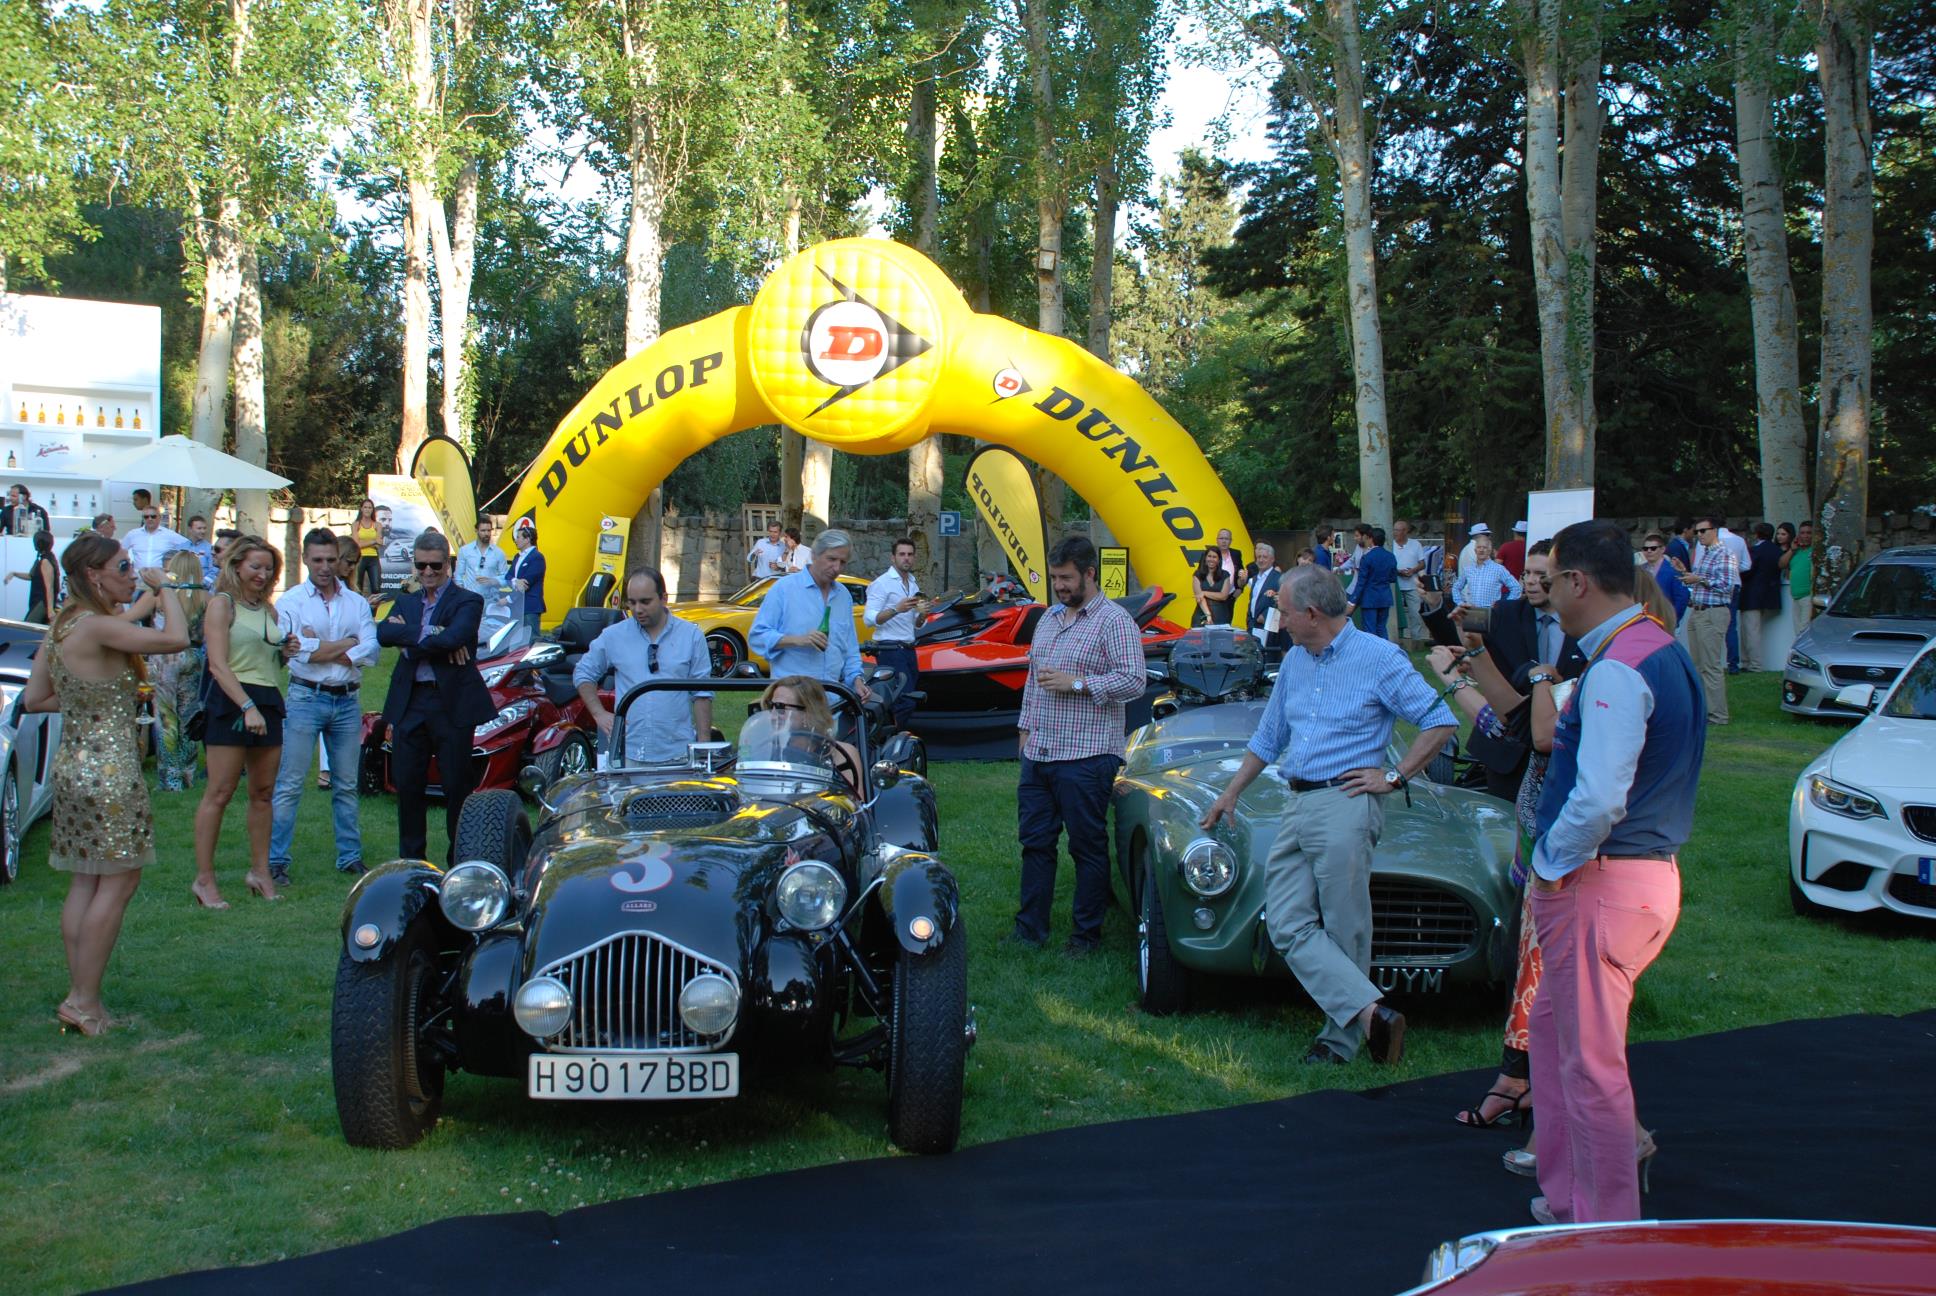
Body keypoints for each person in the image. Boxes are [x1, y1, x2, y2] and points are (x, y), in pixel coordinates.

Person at [1200, 565, 1458, 1065]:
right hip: (1297, 801)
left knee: (1346, 926)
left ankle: (1339, 1043)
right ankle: (1370, 1016)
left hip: (1346, 803)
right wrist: (1230, 793)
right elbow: (1269, 736)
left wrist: (1396, 776)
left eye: (1285, 611)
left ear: (1313, 613)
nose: (1280, 620)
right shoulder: (1296, 660)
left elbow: (1440, 720)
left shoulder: (1379, 658)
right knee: (1287, 921)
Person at [1525, 518, 1703, 1226]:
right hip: (1634, 877)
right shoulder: (1655, 648)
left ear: (1577, 581)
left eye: (1551, 576)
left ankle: (1600, 1227)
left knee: (1589, 1065)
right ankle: (1573, 1196)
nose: (1541, 590)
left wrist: (1547, 862)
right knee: (1555, 1035)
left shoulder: (1619, 667)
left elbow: (1599, 797)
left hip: (1604, 881)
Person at [19, 533, 187, 1035]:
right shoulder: (95, 627)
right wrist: (168, 589)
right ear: (94, 575)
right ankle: (83, 1000)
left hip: (72, 767)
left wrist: (92, 704)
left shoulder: (65, 625)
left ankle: (80, 995)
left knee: (85, 881)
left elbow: (34, 699)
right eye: (123, 567)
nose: (133, 573)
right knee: (117, 882)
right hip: (109, 772)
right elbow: (175, 639)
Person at [1014, 535, 1147, 954]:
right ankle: (1029, 929)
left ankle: (1085, 935)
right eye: (1055, 578)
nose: (1059, 586)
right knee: (1035, 842)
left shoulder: (1115, 621)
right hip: (1040, 753)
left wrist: (1079, 684)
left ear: (1090, 574)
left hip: (1087, 755)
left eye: (1067, 578)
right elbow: (1033, 681)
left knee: (1087, 847)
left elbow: (1134, 680)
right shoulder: (1050, 619)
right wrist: (1024, 730)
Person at [266, 528, 379, 886]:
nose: (326, 567)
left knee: (346, 784)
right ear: (306, 560)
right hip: (305, 696)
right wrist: (347, 643)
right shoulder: (292, 602)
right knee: (289, 784)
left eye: (331, 559)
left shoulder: (356, 602)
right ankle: (276, 861)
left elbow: (372, 650)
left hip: (347, 699)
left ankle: (350, 857)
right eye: (318, 560)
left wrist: (320, 645)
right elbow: (295, 650)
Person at [378, 530, 497, 861]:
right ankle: (412, 863)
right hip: (411, 701)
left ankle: (459, 863)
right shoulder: (405, 601)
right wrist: (432, 634)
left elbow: (456, 636)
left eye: (435, 566)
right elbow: (384, 633)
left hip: (451, 704)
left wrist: (411, 642)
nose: (428, 573)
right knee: (408, 784)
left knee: (457, 785)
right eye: (421, 566)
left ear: (449, 564)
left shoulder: (468, 600)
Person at [189, 536, 291, 908]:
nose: (263, 574)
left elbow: (267, 662)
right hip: (233, 700)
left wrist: (285, 652)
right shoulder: (222, 604)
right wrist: (247, 705)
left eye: (268, 568)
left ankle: (260, 872)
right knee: (220, 791)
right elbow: (217, 664)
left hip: (268, 698)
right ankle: (204, 880)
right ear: (236, 566)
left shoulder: (269, 611)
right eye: (255, 566)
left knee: (263, 793)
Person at [1462, 542, 1586, 801]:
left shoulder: (1583, 624)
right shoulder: (1506, 612)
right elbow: (1464, 628)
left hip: (1561, 747)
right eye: (1526, 574)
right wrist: (1435, 606)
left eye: (1540, 575)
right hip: (1508, 751)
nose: (1530, 582)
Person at [575, 568, 712, 765]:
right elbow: (583, 672)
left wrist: (703, 746)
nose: (638, 609)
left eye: (645, 602)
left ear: (664, 598)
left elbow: (703, 694)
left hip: (678, 753)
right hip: (629, 753)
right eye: (632, 602)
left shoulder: (691, 636)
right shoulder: (614, 635)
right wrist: (599, 714)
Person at [749, 529, 873, 701]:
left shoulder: (843, 595)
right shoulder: (784, 589)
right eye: (831, 559)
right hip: (792, 701)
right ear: (814, 555)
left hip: (832, 700)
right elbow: (757, 637)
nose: (837, 567)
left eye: (842, 562)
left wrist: (857, 680)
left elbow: (850, 647)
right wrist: (798, 640)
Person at [152, 550, 209, 793]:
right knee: (188, 717)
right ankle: (188, 772)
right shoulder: (206, 597)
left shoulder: (163, 595)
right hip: (194, 656)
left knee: (166, 718)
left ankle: (170, 778)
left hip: (166, 657)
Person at [759, 675, 862, 792]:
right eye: (770, 706)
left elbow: (856, 806)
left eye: (780, 708)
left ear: (808, 713)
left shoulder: (842, 754)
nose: (772, 716)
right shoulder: (763, 751)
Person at [1682, 513, 1739, 725]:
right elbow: (1704, 581)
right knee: (1698, 665)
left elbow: (1726, 585)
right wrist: (1686, 573)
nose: (1699, 535)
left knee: (1711, 666)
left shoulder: (1724, 552)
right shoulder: (1705, 553)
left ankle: (1718, 715)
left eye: (1703, 531)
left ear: (1714, 531)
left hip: (1713, 612)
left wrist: (1699, 578)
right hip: (1698, 611)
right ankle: (1705, 712)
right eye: (1697, 532)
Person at [863, 537, 925, 729]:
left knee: (907, 698)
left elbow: (915, 623)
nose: (906, 558)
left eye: (910, 554)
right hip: (889, 648)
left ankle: (889, 737)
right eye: (902, 554)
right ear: (893, 558)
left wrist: (923, 616)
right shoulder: (881, 584)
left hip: (908, 649)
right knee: (904, 700)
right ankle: (886, 739)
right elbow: (868, 619)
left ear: (914, 558)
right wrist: (897, 609)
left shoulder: (913, 584)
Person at [1739, 522, 1783, 672]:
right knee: (1753, 630)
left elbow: (1747, 571)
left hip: (1752, 595)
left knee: (1750, 631)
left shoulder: (1755, 551)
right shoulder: (1777, 551)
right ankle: (1750, 662)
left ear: (1757, 534)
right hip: (1769, 594)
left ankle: (1753, 664)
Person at [1345, 523, 1397, 638]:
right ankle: (1386, 652)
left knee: (1370, 630)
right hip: (1385, 597)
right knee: (1382, 628)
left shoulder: (1367, 557)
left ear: (1371, 539)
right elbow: (1393, 578)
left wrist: (1352, 601)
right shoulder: (1391, 556)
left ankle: (1371, 654)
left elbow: (1361, 582)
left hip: (1369, 598)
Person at [1453, 532, 1523, 610]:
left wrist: (1504, 605)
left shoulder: (1499, 569)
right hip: (1472, 613)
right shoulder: (1468, 569)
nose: (1481, 550)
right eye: (1479, 547)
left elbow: (1516, 588)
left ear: (1489, 551)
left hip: (1492, 613)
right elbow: (1456, 587)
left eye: (1484, 547)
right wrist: (1460, 603)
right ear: (1475, 550)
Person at [6, 528, 60, 623]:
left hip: (42, 602)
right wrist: (14, 574)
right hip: (38, 601)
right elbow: (32, 576)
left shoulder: (45, 561)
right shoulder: (43, 558)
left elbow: (49, 587)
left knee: (30, 625)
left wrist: (50, 610)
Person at [1639, 532, 1690, 625]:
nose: (1649, 551)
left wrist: (1673, 619)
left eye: (1653, 548)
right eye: (1645, 549)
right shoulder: (1640, 570)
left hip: (1665, 621)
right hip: (1643, 621)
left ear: (1662, 549)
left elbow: (1682, 597)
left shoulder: (1673, 570)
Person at [508, 518, 547, 633]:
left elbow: (526, 583)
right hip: (517, 607)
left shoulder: (537, 557)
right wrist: (515, 581)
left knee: (530, 640)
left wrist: (508, 599)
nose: (516, 540)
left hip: (530, 607)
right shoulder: (517, 557)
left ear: (527, 539)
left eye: (518, 537)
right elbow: (508, 576)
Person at [125, 503, 191, 571]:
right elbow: (121, 551)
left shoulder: (169, 535)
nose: (150, 519)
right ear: (143, 519)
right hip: (138, 578)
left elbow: (190, 546)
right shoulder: (133, 534)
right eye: (146, 517)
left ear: (159, 517)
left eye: (153, 516)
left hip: (159, 578)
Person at [455, 513, 508, 594]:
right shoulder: (465, 550)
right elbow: (458, 575)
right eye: (483, 530)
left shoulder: (499, 553)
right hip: (470, 597)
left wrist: (493, 581)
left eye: (489, 530)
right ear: (476, 531)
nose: (486, 533)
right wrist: (461, 592)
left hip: (491, 598)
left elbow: (505, 578)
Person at [1392, 519, 1426, 641]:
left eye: (1398, 530)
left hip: (1413, 584)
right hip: (1396, 585)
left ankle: (1416, 640)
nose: (1395, 532)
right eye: (1394, 529)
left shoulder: (1416, 544)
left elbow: (1422, 563)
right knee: (1395, 614)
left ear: (1405, 531)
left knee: (1415, 614)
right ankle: (1396, 639)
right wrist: (1398, 571)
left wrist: (1412, 570)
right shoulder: (1390, 545)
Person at [1243, 543, 1282, 648]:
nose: (1261, 560)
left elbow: (1281, 600)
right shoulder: (1255, 579)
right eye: (1259, 557)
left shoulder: (1279, 578)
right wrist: (1249, 620)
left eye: (1265, 557)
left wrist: (1265, 615)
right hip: (1253, 626)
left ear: (1272, 559)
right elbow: (1253, 601)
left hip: (1268, 626)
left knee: (1268, 656)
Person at [1782, 519, 1814, 632]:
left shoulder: (1814, 551)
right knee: (1797, 632)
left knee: (1803, 631)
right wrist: (1792, 549)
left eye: (1809, 533)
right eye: (1802, 533)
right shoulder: (1796, 551)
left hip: (1808, 596)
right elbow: (1782, 564)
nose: (1805, 536)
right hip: (1796, 597)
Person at [1191, 548, 1233, 626]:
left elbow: (1223, 596)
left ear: (1219, 560)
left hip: (1221, 616)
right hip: (1202, 614)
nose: (1211, 559)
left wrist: (1204, 592)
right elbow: (1199, 598)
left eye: (1214, 557)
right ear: (1205, 558)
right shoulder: (1197, 574)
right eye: (1209, 556)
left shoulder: (1225, 575)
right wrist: (1208, 615)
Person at [350, 499, 384, 595]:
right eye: (365, 507)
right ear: (361, 509)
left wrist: (364, 542)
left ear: (373, 510)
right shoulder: (356, 524)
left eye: (370, 507)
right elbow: (356, 544)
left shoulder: (377, 525)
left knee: (376, 588)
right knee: (358, 588)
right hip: (360, 558)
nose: (367, 510)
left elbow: (379, 544)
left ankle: (375, 610)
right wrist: (373, 541)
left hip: (373, 558)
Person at [184, 515, 218, 586]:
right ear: (190, 529)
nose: (203, 531)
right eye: (199, 528)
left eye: (204, 528)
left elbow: (215, 570)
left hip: (201, 588)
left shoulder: (210, 549)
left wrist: (203, 584)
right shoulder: (181, 547)